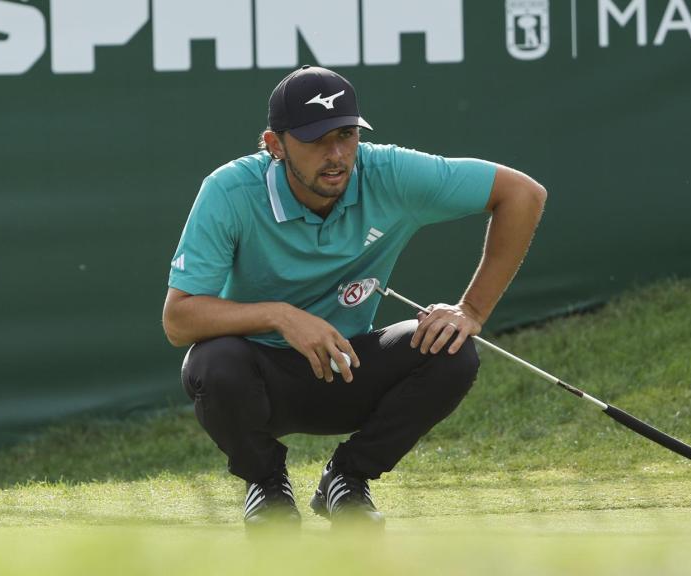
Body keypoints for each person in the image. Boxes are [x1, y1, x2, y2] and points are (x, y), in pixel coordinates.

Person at [162, 65, 546, 532]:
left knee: (452, 350)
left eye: (346, 135)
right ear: (275, 145)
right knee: (212, 363)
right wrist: (281, 317)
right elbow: (179, 319)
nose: (337, 154)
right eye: (316, 139)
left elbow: (523, 194)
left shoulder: (388, 171)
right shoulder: (229, 190)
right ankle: (266, 483)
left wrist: (471, 311)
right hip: (259, 381)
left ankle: (346, 479)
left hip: (349, 369)